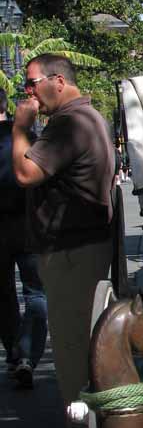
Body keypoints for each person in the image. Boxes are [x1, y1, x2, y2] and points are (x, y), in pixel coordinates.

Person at [12, 54, 115, 428]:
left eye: (32, 83)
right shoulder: (86, 118)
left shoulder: (71, 123)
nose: (28, 92)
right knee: (79, 344)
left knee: (73, 349)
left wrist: (20, 127)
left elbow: (25, 173)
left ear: (58, 80)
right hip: (79, 246)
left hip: (73, 250)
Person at [0, 90, 48, 387]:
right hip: (30, 225)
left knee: (3, 295)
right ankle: (27, 354)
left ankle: (17, 354)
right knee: (36, 293)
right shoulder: (28, 138)